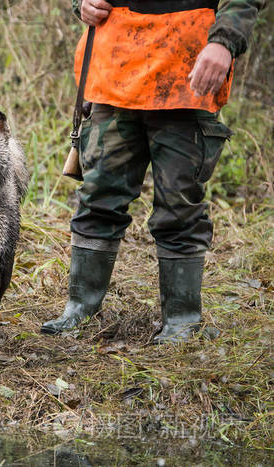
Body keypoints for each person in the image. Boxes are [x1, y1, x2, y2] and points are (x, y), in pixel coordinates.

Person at [42, 0, 265, 342]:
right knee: (97, 196)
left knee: (179, 207)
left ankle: (182, 319)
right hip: (114, 67)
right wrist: (81, 3)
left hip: (186, 71)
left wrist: (224, 41)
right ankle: (80, 308)